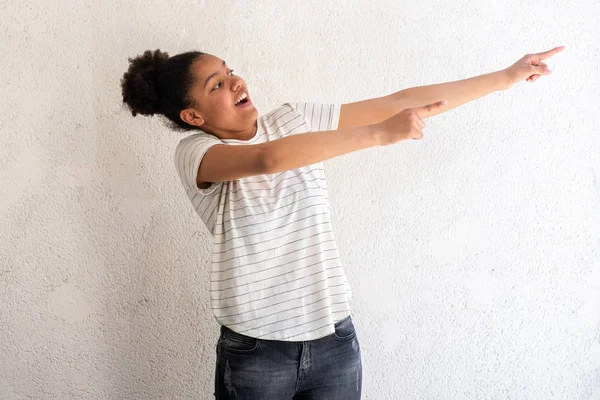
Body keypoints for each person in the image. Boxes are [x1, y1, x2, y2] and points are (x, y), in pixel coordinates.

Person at [120, 45, 564, 399]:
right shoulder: (195, 153)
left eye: (229, 69)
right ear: (193, 116)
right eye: (216, 84)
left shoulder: (291, 119)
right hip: (258, 351)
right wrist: (377, 134)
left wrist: (505, 77)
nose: (235, 80)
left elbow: (399, 102)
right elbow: (267, 159)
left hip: (334, 339)